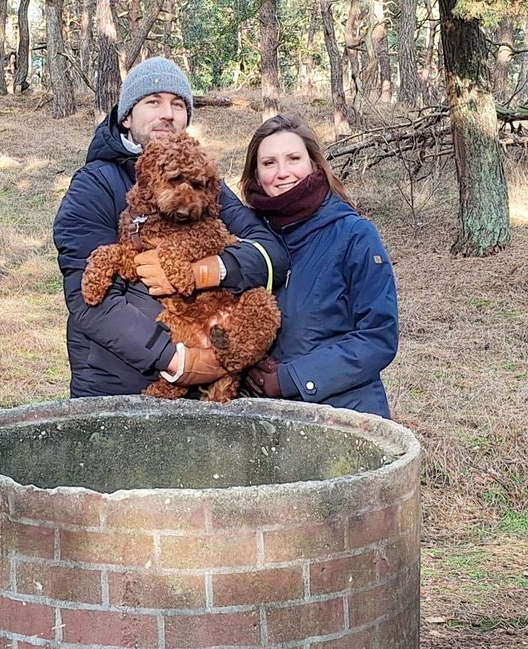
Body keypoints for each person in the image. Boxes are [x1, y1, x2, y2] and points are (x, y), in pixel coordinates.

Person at [53, 58, 289, 397]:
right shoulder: (95, 184)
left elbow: (272, 254)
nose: (168, 114)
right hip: (119, 388)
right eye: (153, 102)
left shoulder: (204, 183)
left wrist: (210, 271)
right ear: (127, 116)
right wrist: (176, 360)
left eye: (178, 105)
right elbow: (89, 300)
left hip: (205, 389)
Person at [240, 114, 399, 419]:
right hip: (262, 416)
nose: (283, 172)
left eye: (294, 158)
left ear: (314, 164)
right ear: (256, 174)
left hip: (343, 416)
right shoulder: (246, 239)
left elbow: (378, 337)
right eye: (269, 163)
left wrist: (292, 378)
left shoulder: (354, 235)